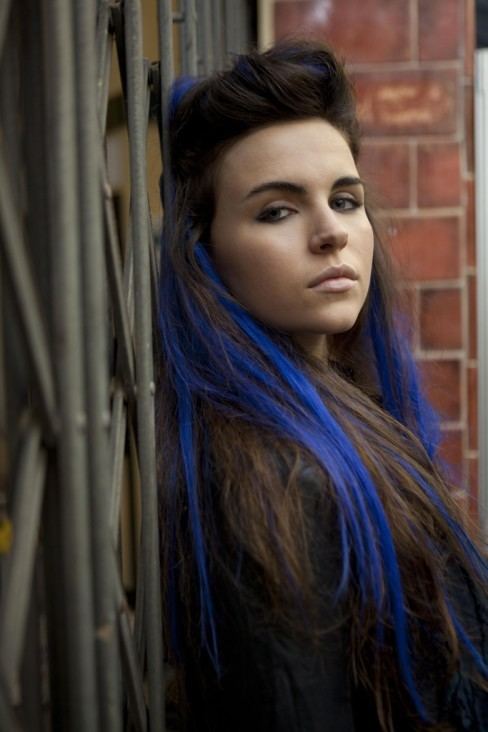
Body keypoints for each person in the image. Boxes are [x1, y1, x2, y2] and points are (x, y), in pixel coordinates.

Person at [157, 41, 488, 731]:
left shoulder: (353, 409)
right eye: (277, 210)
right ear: (206, 251)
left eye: (345, 199)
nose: (332, 233)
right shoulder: (280, 481)